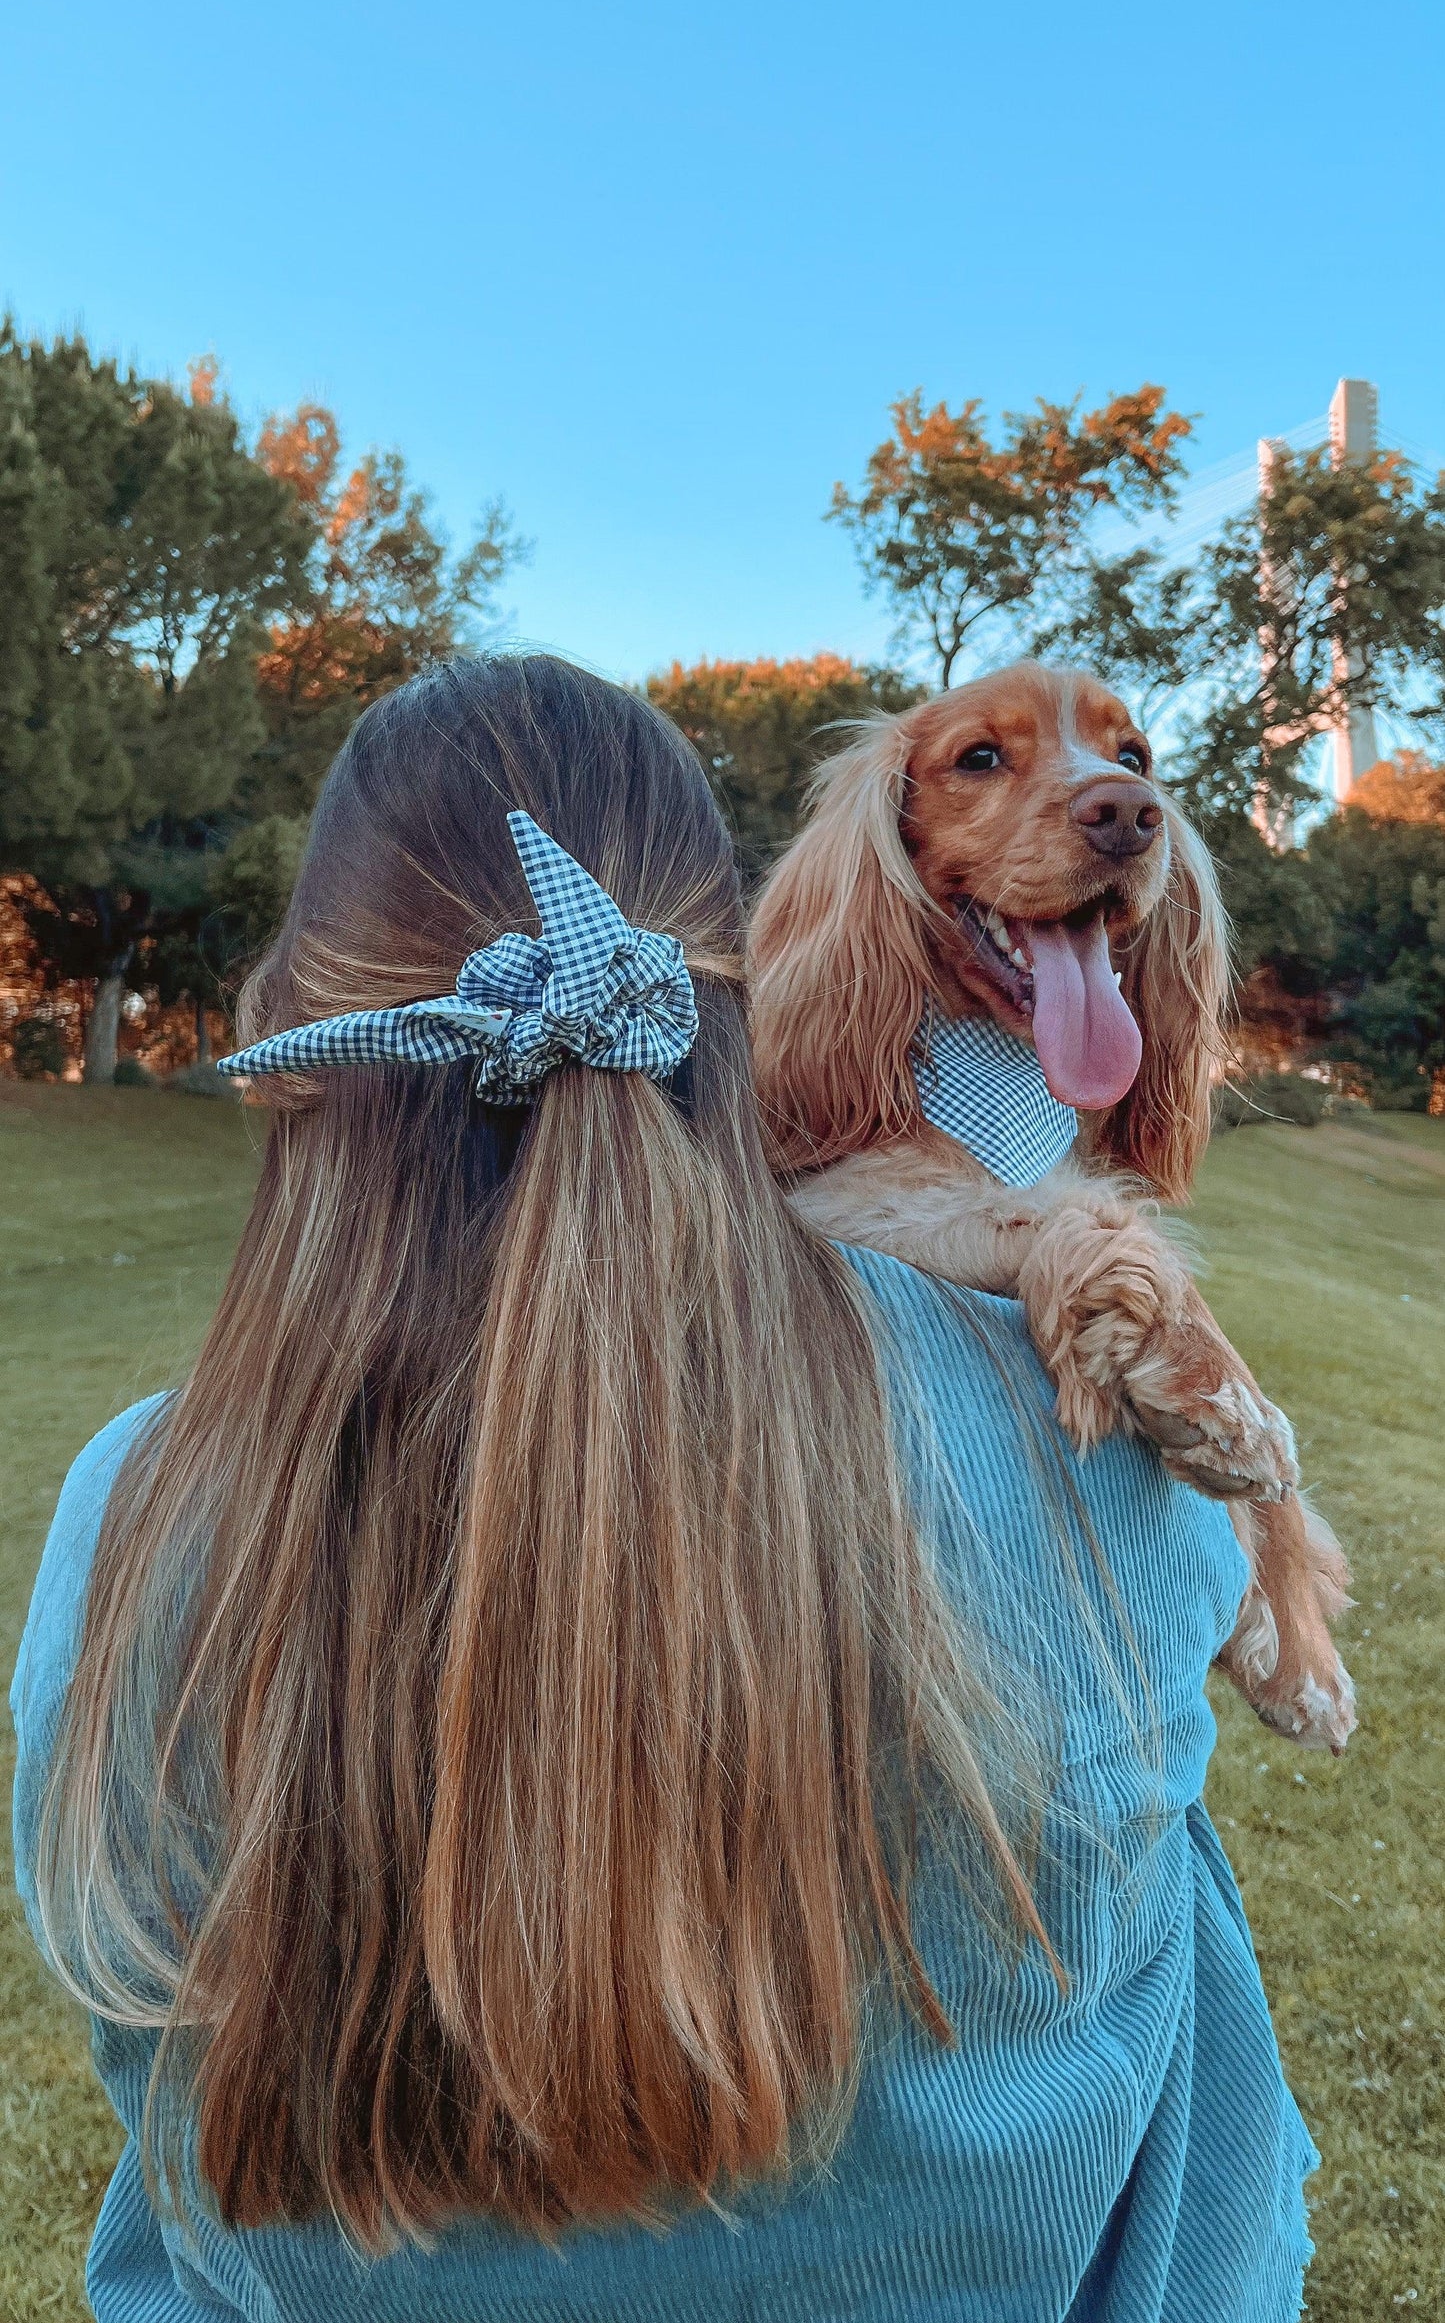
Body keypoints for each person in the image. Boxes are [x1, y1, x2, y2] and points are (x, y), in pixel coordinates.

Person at [11, 654, 1316, 2321]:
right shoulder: (1093, 1459)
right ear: (728, 1003)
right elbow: (1192, 2109)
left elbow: (169, 2122)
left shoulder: (128, 1519)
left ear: (296, 1033)